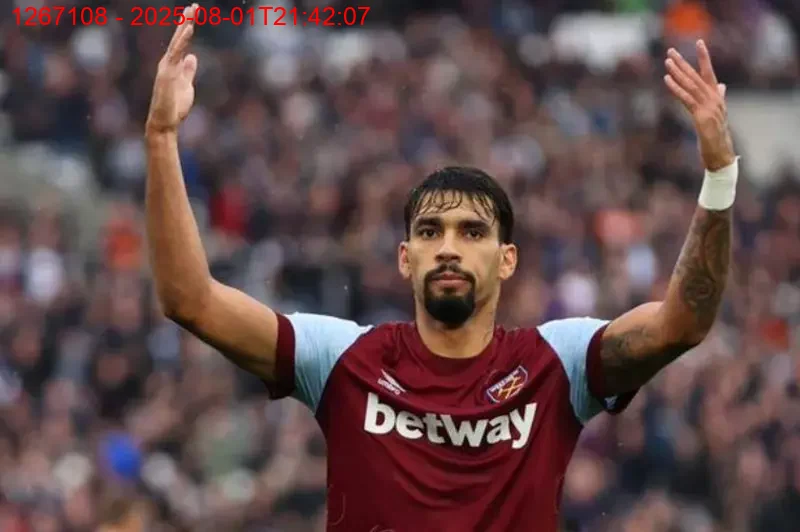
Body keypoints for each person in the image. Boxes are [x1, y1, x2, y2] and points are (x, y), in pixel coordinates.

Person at [144, 4, 739, 530]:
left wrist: (719, 175)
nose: (449, 246)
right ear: (406, 259)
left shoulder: (558, 363)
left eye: (472, 232)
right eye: (430, 231)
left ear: (507, 260)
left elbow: (682, 324)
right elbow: (190, 300)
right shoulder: (341, 359)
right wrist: (162, 137)